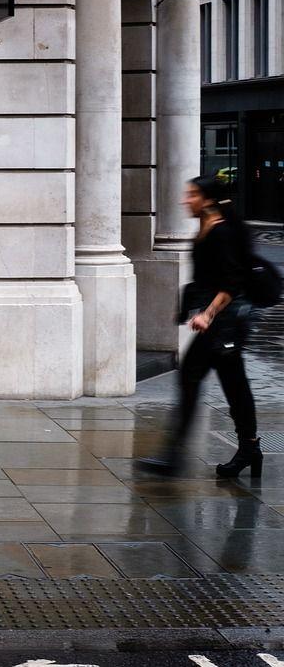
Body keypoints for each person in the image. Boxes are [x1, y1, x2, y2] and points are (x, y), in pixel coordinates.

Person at [138, 176, 260, 478]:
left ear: (207, 200)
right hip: (219, 326)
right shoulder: (209, 228)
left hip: (223, 326)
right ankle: (247, 448)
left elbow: (232, 283)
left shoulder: (222, 233)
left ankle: (176, 456)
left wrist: (207, 314)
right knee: (230, 387)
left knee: (205, 383)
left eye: (192, 195)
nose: (185, 200)